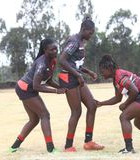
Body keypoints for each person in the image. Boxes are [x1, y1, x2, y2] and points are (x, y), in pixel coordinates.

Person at [96, 55, 140, 154]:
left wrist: (125, 104)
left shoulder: (119, 76)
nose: (101, 74)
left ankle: (129, 149)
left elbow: (134, 90)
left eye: (102, 71)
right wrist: (101, 103)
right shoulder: (116, 80)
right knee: (139, 123)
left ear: (109, 68)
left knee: (124, 117)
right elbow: (117, 99)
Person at [9, 38, 67, 153]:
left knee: (34, 119)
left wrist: (60, 88)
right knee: (45, 115)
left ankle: (14, 146)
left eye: (56, 48)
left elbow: (48, 80)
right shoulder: (41, 63)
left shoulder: (52, 61)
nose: (55, 51)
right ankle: (50, 148)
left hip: (26, 88)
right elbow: (36, 86)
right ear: (45, 50)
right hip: (25, 89)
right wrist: (56, 91)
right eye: (52, 49)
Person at [58, 16, 104, 152]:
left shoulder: (82, 42)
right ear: (84, 29)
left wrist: (88, 72)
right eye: (90, 33)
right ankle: (68, 145)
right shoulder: (74, 41)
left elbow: (75, 63)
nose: (91, 36)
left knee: (92, 105)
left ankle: (88, 142)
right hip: (67, 77)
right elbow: (62, 60)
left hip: (76, 76)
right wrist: (78, 75)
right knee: (76, 111)